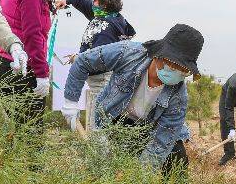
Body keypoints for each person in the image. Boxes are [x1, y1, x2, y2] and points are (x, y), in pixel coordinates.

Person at [61, 24, 204, 174]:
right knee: (101, 165)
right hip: (113, 118)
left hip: (148, 127)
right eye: (174, 65)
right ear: (159, 54)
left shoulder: (178, 97)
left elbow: (162, 141)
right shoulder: (127, 53)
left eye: (183, 70)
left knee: (176, 157)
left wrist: (137, 175)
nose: (178, 73)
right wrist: (70, 102)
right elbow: (83, 62)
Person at [0, 0, 60, 129]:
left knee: (16, 128)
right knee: (30, 131)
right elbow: (32, 34)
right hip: (21, 67)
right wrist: (41, 73)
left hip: (5, 62)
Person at [55, 0, 136, 130]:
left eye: (98, 0)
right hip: (95, 79)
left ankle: (101, 152)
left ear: (107, 3)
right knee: (97, 121)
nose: (94, 2)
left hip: (103, 80)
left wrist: (78, 58)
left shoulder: (110, 28)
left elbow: (99, 58)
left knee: (99, 124)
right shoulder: (99, 13)